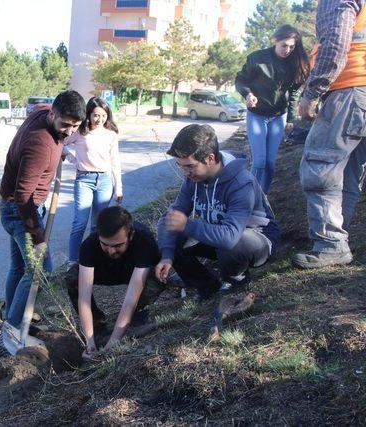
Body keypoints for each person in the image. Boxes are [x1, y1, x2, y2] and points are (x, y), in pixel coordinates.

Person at [0, 90, 86, 354]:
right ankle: (10, 335)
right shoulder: (40, 145)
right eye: (64, 125)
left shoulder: (43, 111)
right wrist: (38, 236)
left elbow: (67, 119)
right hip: (20, 211)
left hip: (11, 204)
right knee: (39, 269)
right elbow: (24, 197)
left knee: (18, 267)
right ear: (52, 114)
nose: (69, 131)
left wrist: (61, 148)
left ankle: (9, 314)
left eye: (75, 126)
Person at [156, 124, 280, 300]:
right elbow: (167, 220)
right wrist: (167, 255)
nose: (185, 173)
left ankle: (236, 280)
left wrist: (186, 224)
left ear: (210, 158)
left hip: (256, 240)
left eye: (189, 166)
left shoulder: (241, 183)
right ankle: (207, 287)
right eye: (181, 166)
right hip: (221, 237)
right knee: (172, 234)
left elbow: (229, 237)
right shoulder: (193, 179)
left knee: (232, 242)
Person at [292, 0, 366, 269]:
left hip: (350, 88)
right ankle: (338, 237)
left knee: (321, 167)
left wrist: (312, 92)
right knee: (349, 171)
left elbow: (335, 44)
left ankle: (331, 243)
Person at [62, 206, 163, 360]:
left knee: (159, 276)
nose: (111, 251)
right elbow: (84, 298)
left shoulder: (144, 241)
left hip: (136, 271)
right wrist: (90, 343)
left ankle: (138, 315)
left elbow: (131, 298)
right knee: (72, 278)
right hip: (107, 271)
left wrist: (114, 341)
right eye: (105, 245)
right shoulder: (89, 245)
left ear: (130, 235)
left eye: (117, 245)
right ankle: (99, 328)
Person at [235, 24, 310, 194]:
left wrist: (291, 119)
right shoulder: (257, 58)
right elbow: (241, 80)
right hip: (257, 115)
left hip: (278, 116)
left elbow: (294, 94)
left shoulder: (294, 64)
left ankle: (263, 197)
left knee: (270, 163)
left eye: (292, 47)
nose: (288, 50)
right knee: (259, 161)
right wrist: (247, 95)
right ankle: (249, 197)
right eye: (284, 45)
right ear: (276, 40)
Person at [64, 97, 123, 263]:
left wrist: (118, 187)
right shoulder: (80, 133)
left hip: (104, 181)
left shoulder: (111, 135)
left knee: (98, 225)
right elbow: (61, 143)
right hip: (84, 180)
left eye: (104, 116)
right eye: (96, 115)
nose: (100, 119)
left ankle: (92, 260)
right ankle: (73, 262)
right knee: (79, 223)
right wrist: (72, 158)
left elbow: (115, 162)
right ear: (88, 114)